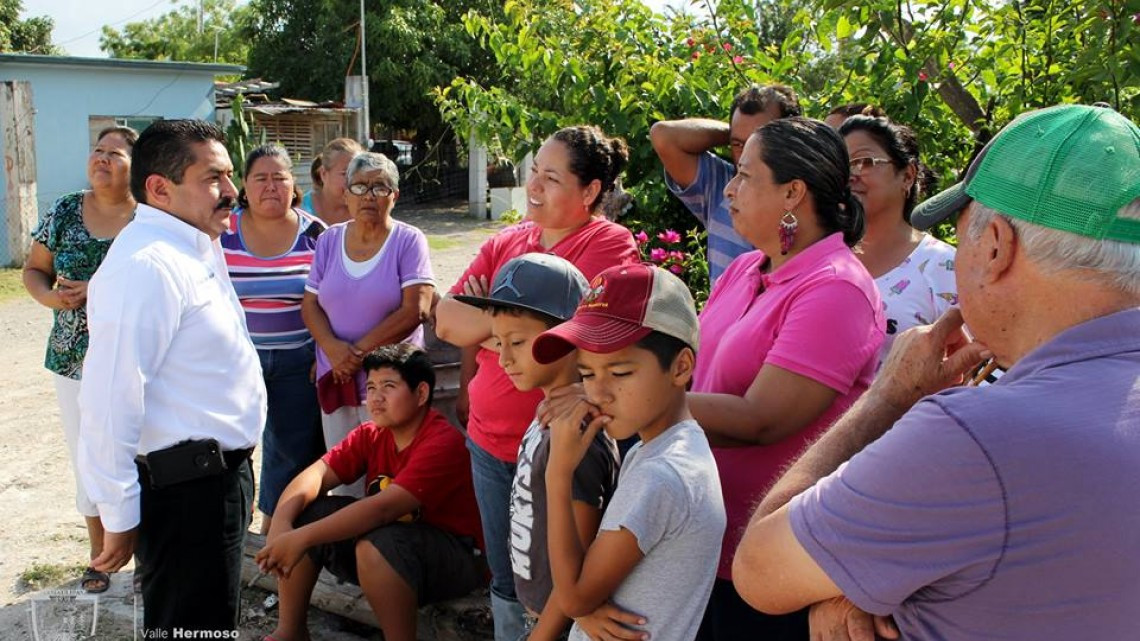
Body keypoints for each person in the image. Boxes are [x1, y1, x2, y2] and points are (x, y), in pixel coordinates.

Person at [732, 104, 1140, 640]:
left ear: (995, 246)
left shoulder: (978, 435)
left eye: (962, 233)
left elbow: (760, 571)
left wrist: (888, 398)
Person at [434, 125, 639, 641]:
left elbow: (583, 332)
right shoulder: (508, 239)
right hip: (489, 441)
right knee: (508, 573)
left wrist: (488, 315)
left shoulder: (608, 244)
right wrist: (520, 328)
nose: (533, 186)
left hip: (559, 444)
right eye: (534, 172)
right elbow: (445, 321)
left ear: (590, 191)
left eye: (551, 177)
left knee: (558, 572)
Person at [685, 117, 883, 641]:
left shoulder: (836, 288)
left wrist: (639, 401)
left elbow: (762, 420)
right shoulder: (748, 268)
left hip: (771, 554)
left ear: (793, 192)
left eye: (745, 175)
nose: (729, 189)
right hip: (706, 531)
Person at [76, 119, 266, 634]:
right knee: (189, 625)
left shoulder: (193, 245)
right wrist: (119, 513)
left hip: (215, 481)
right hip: (186, 493)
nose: (231, 191)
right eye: (213, 179)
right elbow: (110, 397)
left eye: (229, 176)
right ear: (160, 188)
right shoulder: (147, 265)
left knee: (209, 621)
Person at [531, 263, 727, 641]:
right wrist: (586, 604)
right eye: (587, 374)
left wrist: (558, 474)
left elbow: (573, 599)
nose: (598, 393)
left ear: (681, 367)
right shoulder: (659, 449)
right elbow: (587, 588)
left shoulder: (661, 475)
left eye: (620, 373)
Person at [256, 344, 485, 641]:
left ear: (421, 394)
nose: (376, 398)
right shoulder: (372, 433)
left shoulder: (442, 442)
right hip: (393, 546)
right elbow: (315, 476)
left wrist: (300, 539)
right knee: (307, 513)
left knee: (376, 545)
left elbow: (383, 509)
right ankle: (290, 632)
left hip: (456, 558)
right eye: (371, 387)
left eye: (388, 386)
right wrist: (282, 524)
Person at [454, 253, 621, 641]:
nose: (503, 358)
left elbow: (581, 565)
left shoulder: (578, 434)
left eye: (517, 342)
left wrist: (541, 635)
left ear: (568, 337)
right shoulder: (549, 411)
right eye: (497, 342)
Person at [21, 125, 137, 594]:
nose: (102, 158)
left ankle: (149, 555)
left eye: (115, 153)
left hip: (133, 357)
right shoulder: (66, 209)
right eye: (98, 150)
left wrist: (99, 289)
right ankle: (100, 556)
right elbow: (34, 269)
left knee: (141, 454)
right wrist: (50, 298)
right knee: (87, 455)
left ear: (136, 168)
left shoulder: (149, 217)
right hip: (73, 358)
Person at [302, 151, 434, 497]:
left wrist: (357, 354)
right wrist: (333, 350)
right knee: (343, 478)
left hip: (390, 381)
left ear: (395, 196)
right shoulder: (329, 240)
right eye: (359, 187)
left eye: (380, 187)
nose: (369, 196)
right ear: (345, 194)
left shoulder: (408, 240)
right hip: (338, 376)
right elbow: (310, 305)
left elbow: (416, 309)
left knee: (391, 479)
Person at [222, 144, 327, 534]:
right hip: (234, 363)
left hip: (298, 361)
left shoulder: (316, 234)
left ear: (293, 184)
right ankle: (232, 529)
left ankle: (273, 532)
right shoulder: (221, 231)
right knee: (230, 447)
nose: (270, 186)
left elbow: (332, 300)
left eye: (279, 177)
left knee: (290, 451)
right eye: (260, 178)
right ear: (244, 185)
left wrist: (323, 352)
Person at [650, 84, 801, 282]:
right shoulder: (719, 184)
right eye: (738, 144)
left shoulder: (804, 198)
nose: (747, 154)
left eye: (761, 143)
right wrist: (736, 133)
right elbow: (663, 136)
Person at [840, 115, 956, 362]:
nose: (851, 175)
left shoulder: (943, 265)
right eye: (843, 166)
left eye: (864, 162)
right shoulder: (823, 257)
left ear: (907, 176)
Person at [305, 137, 365, 225]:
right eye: (345, 173)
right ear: (324, 174)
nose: (354, 182)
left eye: (359, 174)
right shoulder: (300, 211)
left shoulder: (368, 211)